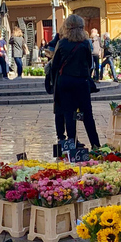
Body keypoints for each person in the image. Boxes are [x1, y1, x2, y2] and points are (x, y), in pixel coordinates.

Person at [50, 15, 101, 148]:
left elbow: (55, 65)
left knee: (69, 114)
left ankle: (72, 144)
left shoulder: (62, 43)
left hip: (65, 82)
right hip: (81, 82)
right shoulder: (85, 44)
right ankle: (95, 145)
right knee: (87, 115)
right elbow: (89, 64)